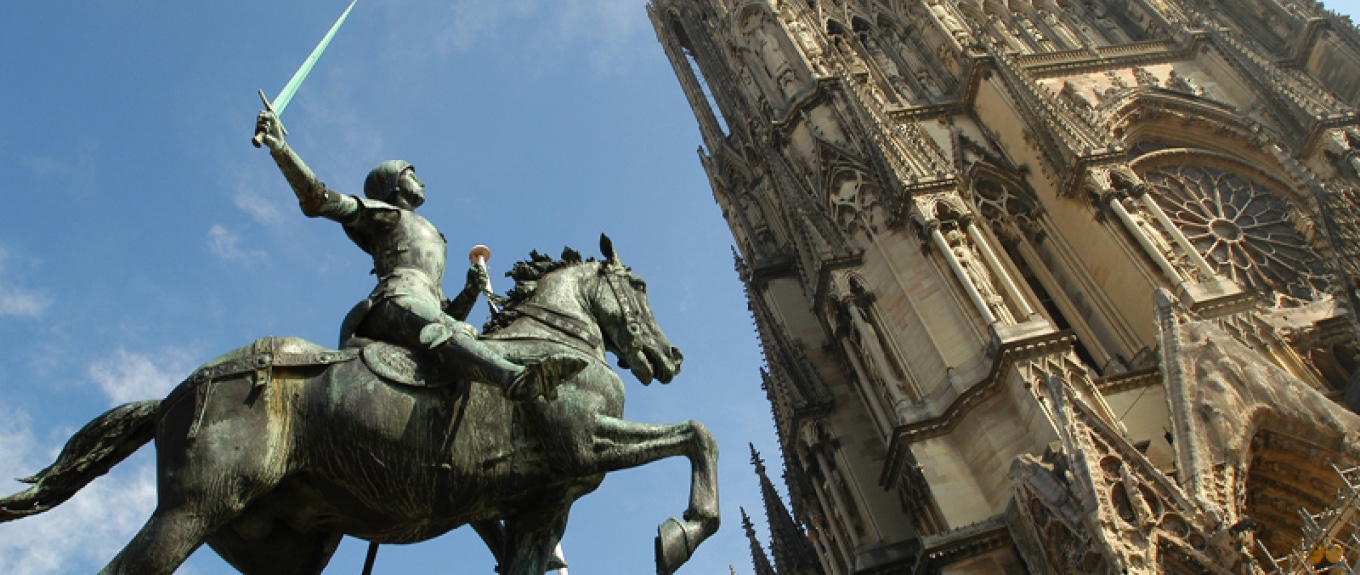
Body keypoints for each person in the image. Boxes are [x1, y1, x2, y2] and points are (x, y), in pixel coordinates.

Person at [254, 110, 584, 401]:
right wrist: (281, 149)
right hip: (393, 300)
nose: (421, 181)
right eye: (412, 175)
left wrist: (470, 290)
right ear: (394, 186)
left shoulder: (431, 234)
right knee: (449, 331)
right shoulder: (388, 215)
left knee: (456, 333)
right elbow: (319, 200)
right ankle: (513, 379)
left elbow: (446, 311)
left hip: (420, 306)